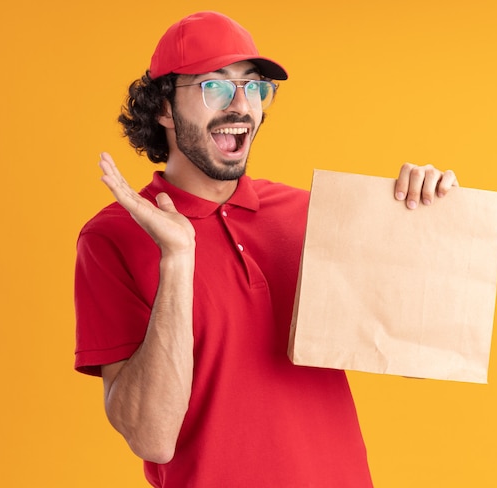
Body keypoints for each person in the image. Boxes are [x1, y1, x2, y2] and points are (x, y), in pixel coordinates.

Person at [74, 10, 458, 488]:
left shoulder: (310, 214)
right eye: (215, 85)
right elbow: (152, 438)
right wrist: (176, 260)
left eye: (254, 87)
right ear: (164, 108)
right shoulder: (113, 236)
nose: (242, 104)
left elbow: (420, 354)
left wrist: (426, 223)